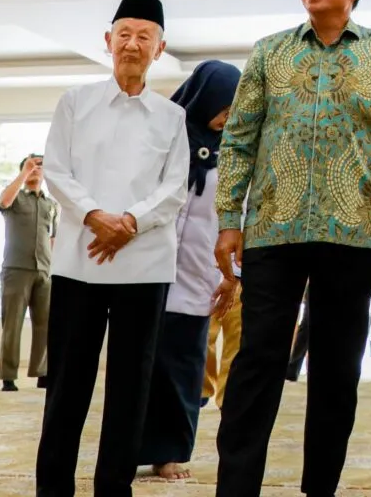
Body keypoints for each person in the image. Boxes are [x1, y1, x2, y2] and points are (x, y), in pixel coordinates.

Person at [214, 0, 371, 497]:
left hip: (353, 233)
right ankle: (235, 488)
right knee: (258, 360)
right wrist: (229, 218)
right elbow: (238, 140)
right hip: (273, 229)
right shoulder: (269, 53)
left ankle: (320, 490)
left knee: (336, 368)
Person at [36, 0, 189, 497]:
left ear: (159, 49)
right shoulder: (75, 102)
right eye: (124, 33)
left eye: (144, 36)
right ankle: (52, 487)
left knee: (131, 386)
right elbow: (57, 171)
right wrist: (96, 217)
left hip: (144, 266)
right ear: (108, 41)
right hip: (79, 260)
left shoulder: (172, 116)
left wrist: (129, 223)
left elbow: (175, 187)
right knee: (67, 383)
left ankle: (113, 487)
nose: (132, 44)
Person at [137, 60, 241, 481]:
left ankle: (170, 453)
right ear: (203, 98)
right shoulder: (163, 138)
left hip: (200, 274)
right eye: (223, 107)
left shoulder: (233, 152)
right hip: (148, 270)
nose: (227, 117)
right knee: (141, 366)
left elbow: (238, 216)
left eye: (234, 109)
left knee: (184, 369)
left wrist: (233, 275)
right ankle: (128, 447)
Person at [0, 154, 56, 392]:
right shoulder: (16, 197)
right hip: (16, 269)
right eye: (31, 166)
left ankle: (42, 372)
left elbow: (52, 237)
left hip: (44, 270)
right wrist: (24, 173)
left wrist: (52, 266)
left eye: (40, 166)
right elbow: (3, 202)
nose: (35, 170)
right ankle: (8, 376)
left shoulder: (51, 204)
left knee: (45, 324)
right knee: (12, 325)